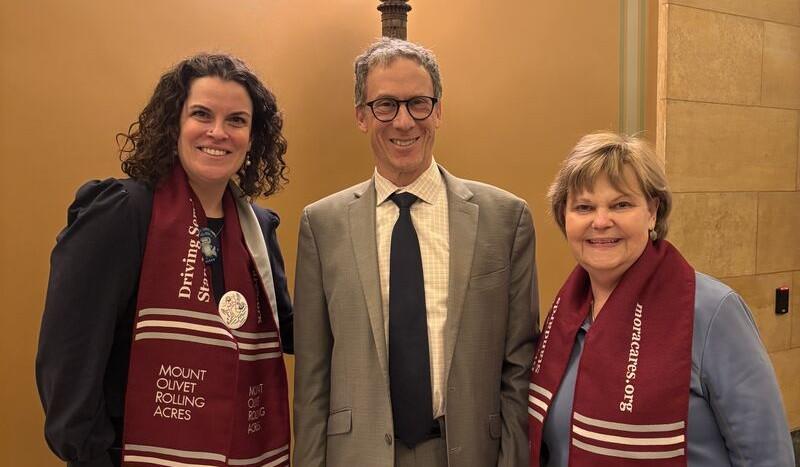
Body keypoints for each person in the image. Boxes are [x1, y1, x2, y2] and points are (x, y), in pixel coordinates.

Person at [36, 53, 293, 467]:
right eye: (202, 114)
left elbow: (288, 326)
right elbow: (67, 361)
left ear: (253, 136)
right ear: (174, 122)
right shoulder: (121, 214)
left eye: (236, 120)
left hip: (240, 452)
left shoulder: (257, 229)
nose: (218, 132)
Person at [292, 38, 538, 467]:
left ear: (438, 111)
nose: (404, 122)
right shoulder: (322, 225)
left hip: (466, 452)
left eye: (418, 104)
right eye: (385, 105)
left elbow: (519, 366)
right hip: (357, 455)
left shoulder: (505, 219)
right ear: (362, 117)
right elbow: (312, 377)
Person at [529, 132, 795, 466]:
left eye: (621, 204)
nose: (600, 221)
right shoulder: (564, 319)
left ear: (653, 211)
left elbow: (767, 456)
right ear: (564, 217)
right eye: (584, 207)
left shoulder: (712, 311)